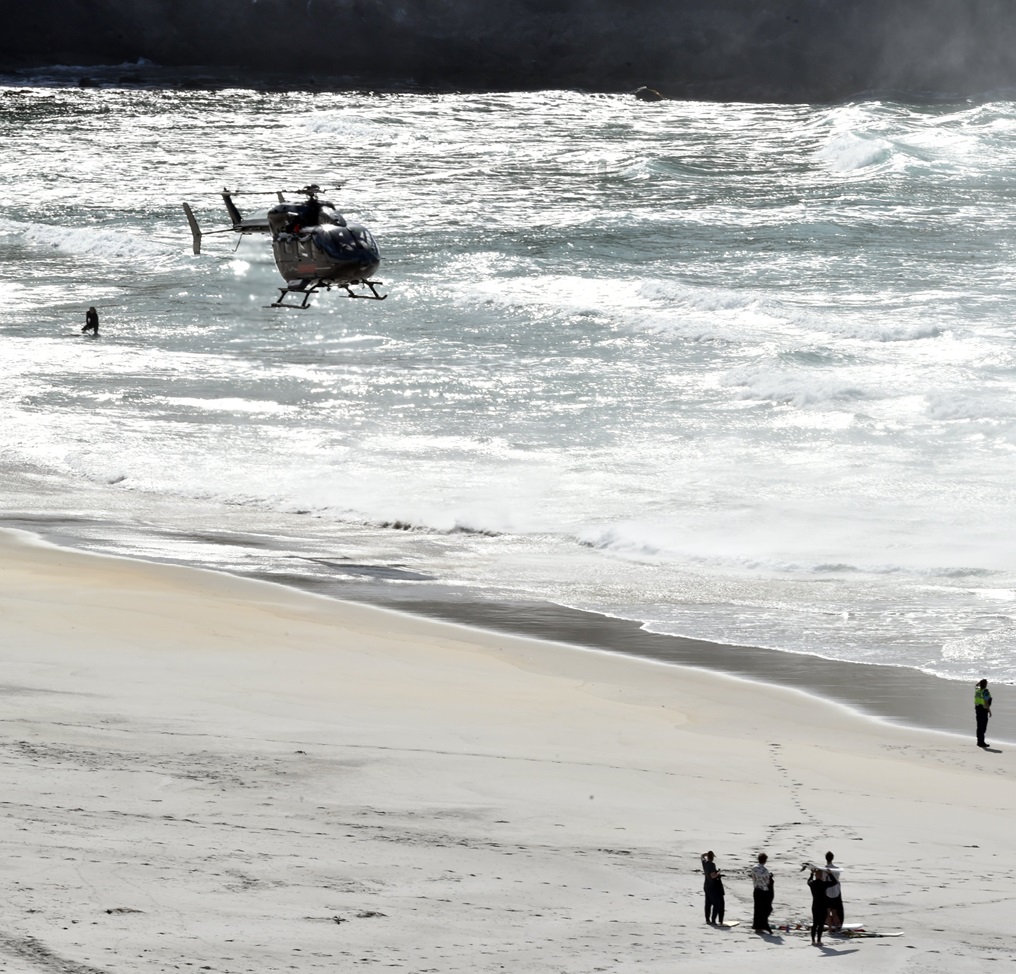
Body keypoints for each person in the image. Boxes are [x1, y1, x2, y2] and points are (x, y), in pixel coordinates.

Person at [749, 852, 774, 934]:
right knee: (764, 909)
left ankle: (757, 926)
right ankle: (762, 925)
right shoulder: (765, 870)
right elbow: (767, 882)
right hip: (763, 890)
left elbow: (752, 877)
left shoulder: (754, 868)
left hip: (756, 889)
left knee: (757, 908)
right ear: (765, 860)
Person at [807, 867, 830, 946]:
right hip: (823, 906)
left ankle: (813, 940)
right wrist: (829, 874)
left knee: (815, 923)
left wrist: (811, 874)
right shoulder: (824, 884)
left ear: (816, 875)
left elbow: (808, 881)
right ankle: (819, 940)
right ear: (821, 876)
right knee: (820, 924)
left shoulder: (812, 884)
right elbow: (834, 882)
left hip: (815, 905)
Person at [701, 851, 724, 925]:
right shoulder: (712, 864)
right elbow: (713, 876)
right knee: (716, 903)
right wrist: (718, 873)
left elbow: (701, 857)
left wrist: (705, 854)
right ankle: (713, 919)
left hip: (706, 885)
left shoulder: (705, 863)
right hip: (712, 886)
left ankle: (707, 919)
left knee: (707, 903)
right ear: (712, 857)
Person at [823, 851, 843, 930]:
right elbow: (837, 879)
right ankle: (837, 927)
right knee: (834, 911)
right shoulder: (837, 869)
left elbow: (823, 880)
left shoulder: (824, 869)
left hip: (827, 892)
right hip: (836, 892)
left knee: (828, 911)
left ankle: (830, 929)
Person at [975, 679, 992, 748]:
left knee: (979, 726)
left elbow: (976, 686)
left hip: (977, 709)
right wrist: (989, 711)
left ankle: (979, 741)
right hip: (983, 710)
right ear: (985, 684)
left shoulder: (978, 690)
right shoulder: (985, 691)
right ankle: (981, 742)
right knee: (983, 727)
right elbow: (986, 702)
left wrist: (979, 683)